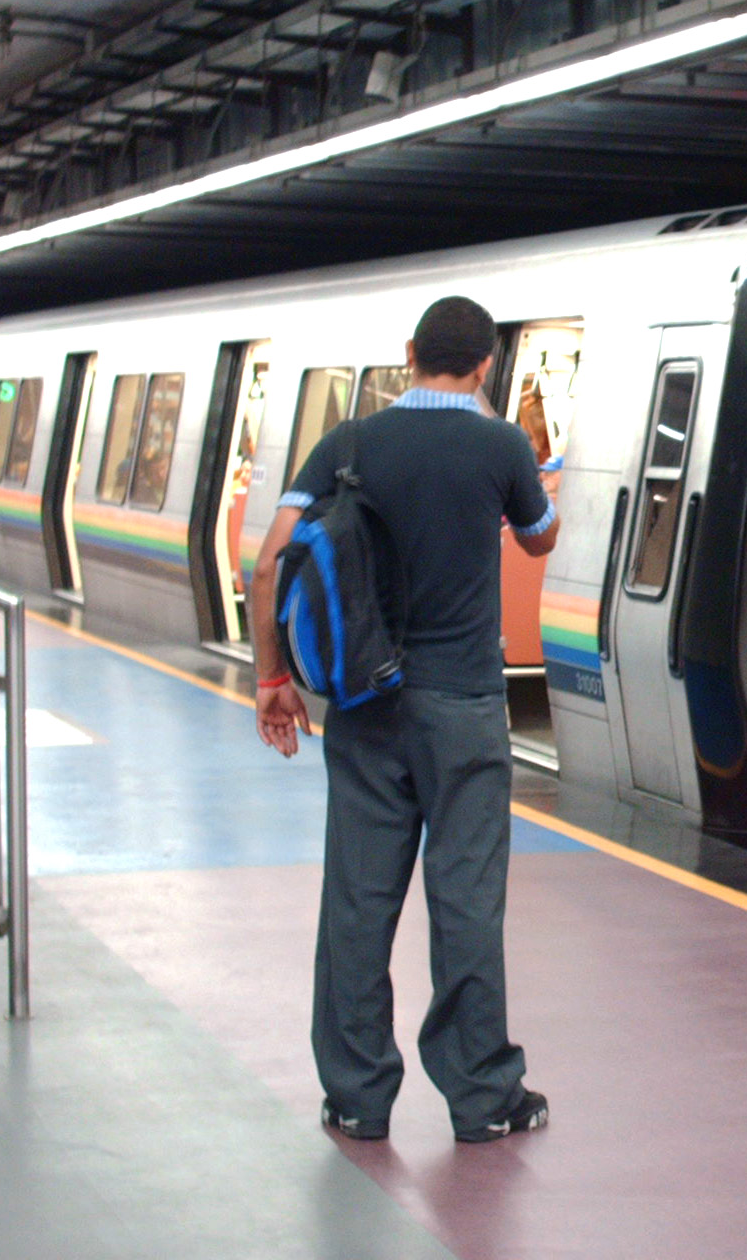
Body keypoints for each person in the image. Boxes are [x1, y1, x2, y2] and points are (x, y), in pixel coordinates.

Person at [249, 296, 560, 1144]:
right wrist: (492, 425)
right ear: (486, 364)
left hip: (364, 703)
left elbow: (268, 564)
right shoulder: (499, 446)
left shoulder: (348, 443)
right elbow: (541, 537)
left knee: (357, 898)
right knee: (465, 901)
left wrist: (271, 676)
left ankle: (356, 1095)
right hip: (463, 709)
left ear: (409, 353)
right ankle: (482, 1098)